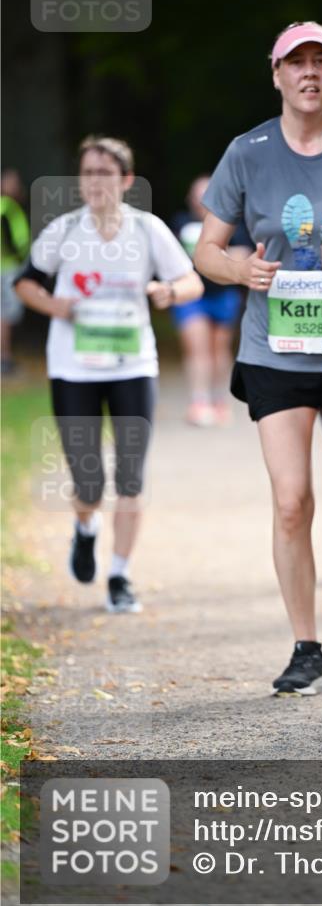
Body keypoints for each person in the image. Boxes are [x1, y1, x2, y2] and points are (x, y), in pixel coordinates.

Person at [195, 22, 322, 696]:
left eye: (320, 61)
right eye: (295, 63)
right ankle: (305, 646)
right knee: (290, 503)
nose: (308, 73)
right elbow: (206, 249)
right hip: (274, 348)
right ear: (275, 73)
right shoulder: (246, 152)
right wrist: (236, 267)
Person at [14, 135, 202, 613]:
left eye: (104, 173)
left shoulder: (148, 230)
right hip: (73, 368)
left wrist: (169, 292)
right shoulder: (64, 230)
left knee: (131, 477)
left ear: (125, 181)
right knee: (89, 480)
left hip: (133, 366)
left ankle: (119, 575)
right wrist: (54, 304)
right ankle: (85, 527)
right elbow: (25, 283)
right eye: (88, 173)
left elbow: (192, 280)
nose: (95, 182)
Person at [171, 175, 252, 426]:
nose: (201, 200)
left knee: (219, 348)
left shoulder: (231, 224)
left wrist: (217, 258)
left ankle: (219, 400)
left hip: (223, 293)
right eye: (197, 194)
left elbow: (245, 253)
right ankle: (198, 401)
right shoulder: (181, 223)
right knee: (197, 346)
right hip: (192, 296)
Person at [1, 169, 31, 374]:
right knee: (5, 315)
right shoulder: (7, 208)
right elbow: (15, 241)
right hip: (8, 268)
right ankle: (4, 358)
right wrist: (23, 260)